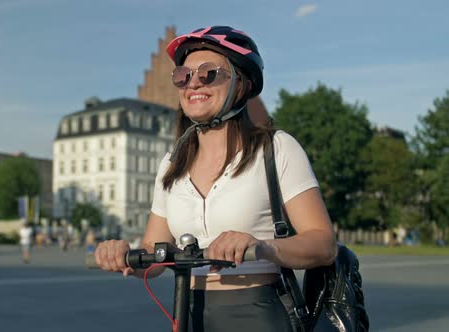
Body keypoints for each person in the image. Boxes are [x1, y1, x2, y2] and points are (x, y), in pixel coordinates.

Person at [94, 25, 337, 331]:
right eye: (183, 76)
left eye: (209, 73)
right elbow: (154, 256)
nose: (193, 82)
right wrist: (124, 255)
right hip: (188, 311)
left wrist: (261, 246)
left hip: (257, 313)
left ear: (242, 84)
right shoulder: (172, 165)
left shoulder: (275, 149)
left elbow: (323, 243)